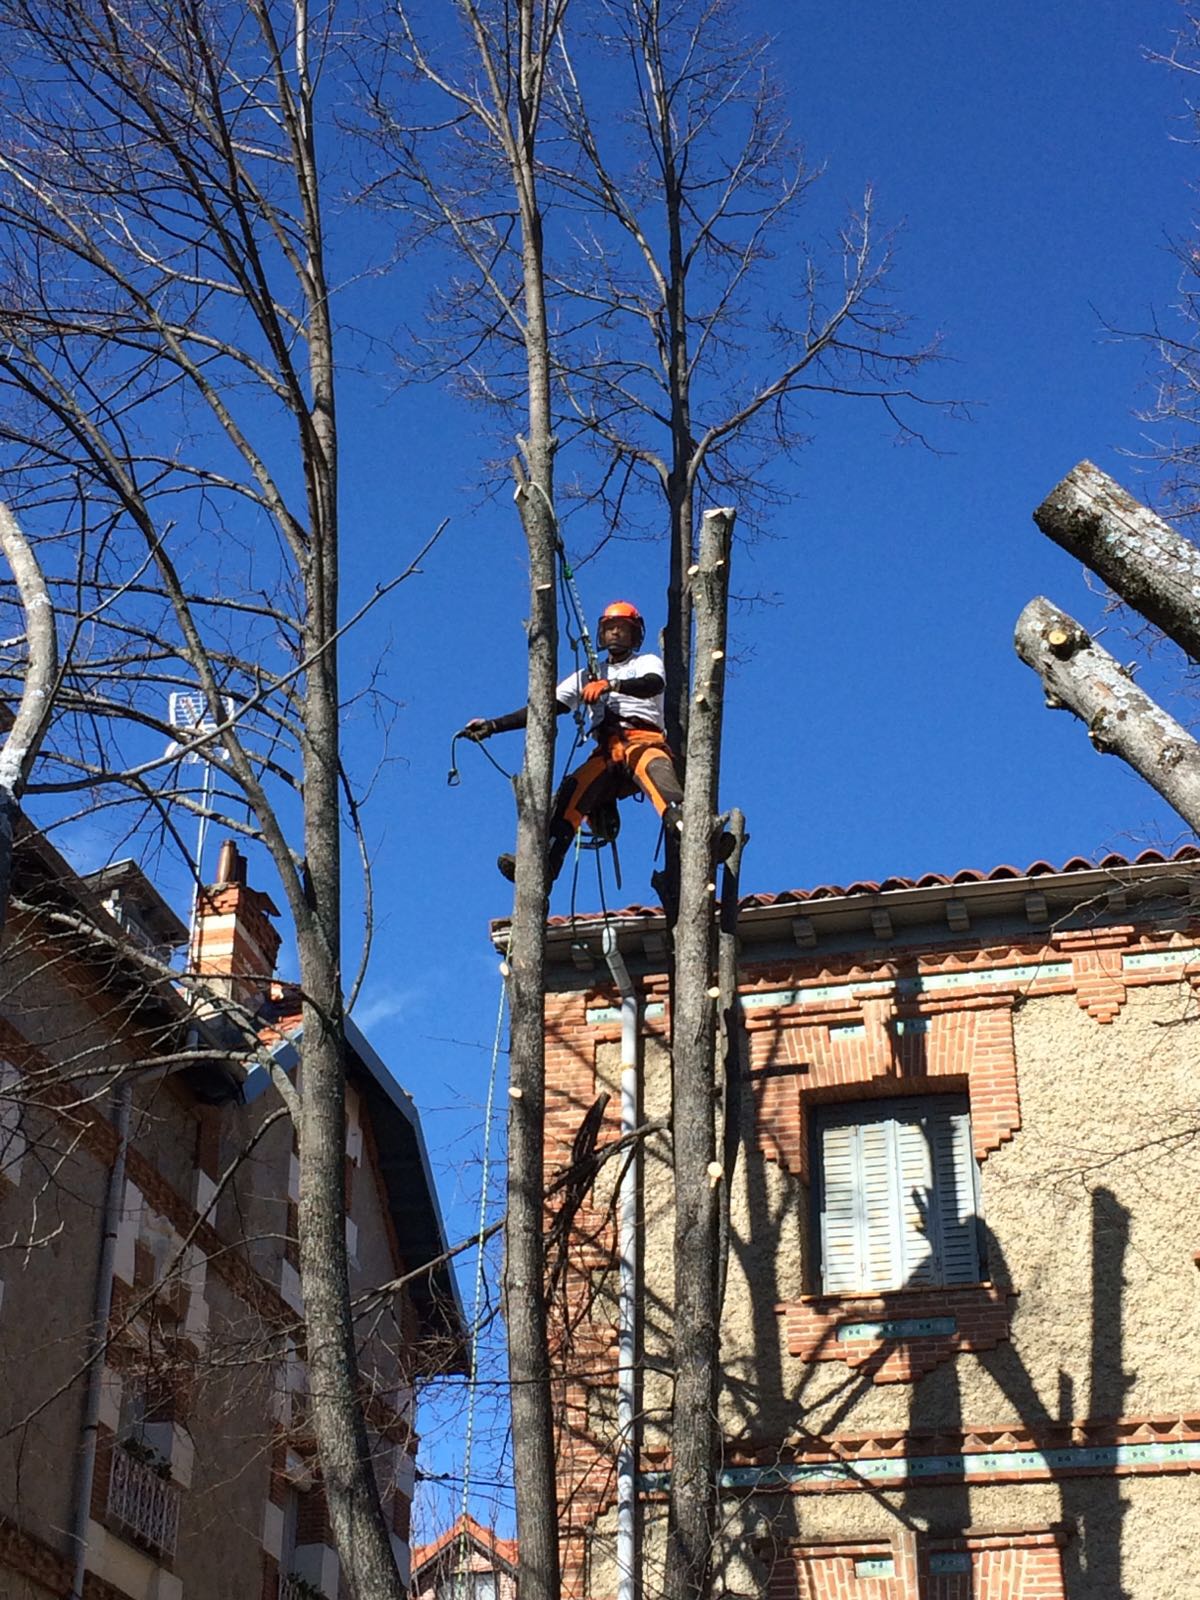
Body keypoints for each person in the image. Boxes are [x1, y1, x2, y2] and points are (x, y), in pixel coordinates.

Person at [463, 600, 684, 882]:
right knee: (570, 794)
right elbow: (545, 707)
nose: (616, 633)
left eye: (622, 628)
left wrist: (612, 686)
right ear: (602, 634)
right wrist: (494, 725)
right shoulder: (587, 675)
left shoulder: (646, 662)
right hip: (606, 751)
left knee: (661, 780)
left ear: (635, 634)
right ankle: (543, 868)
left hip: (644, 741)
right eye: (610, 628)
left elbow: (653, 684)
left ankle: (696, 835)